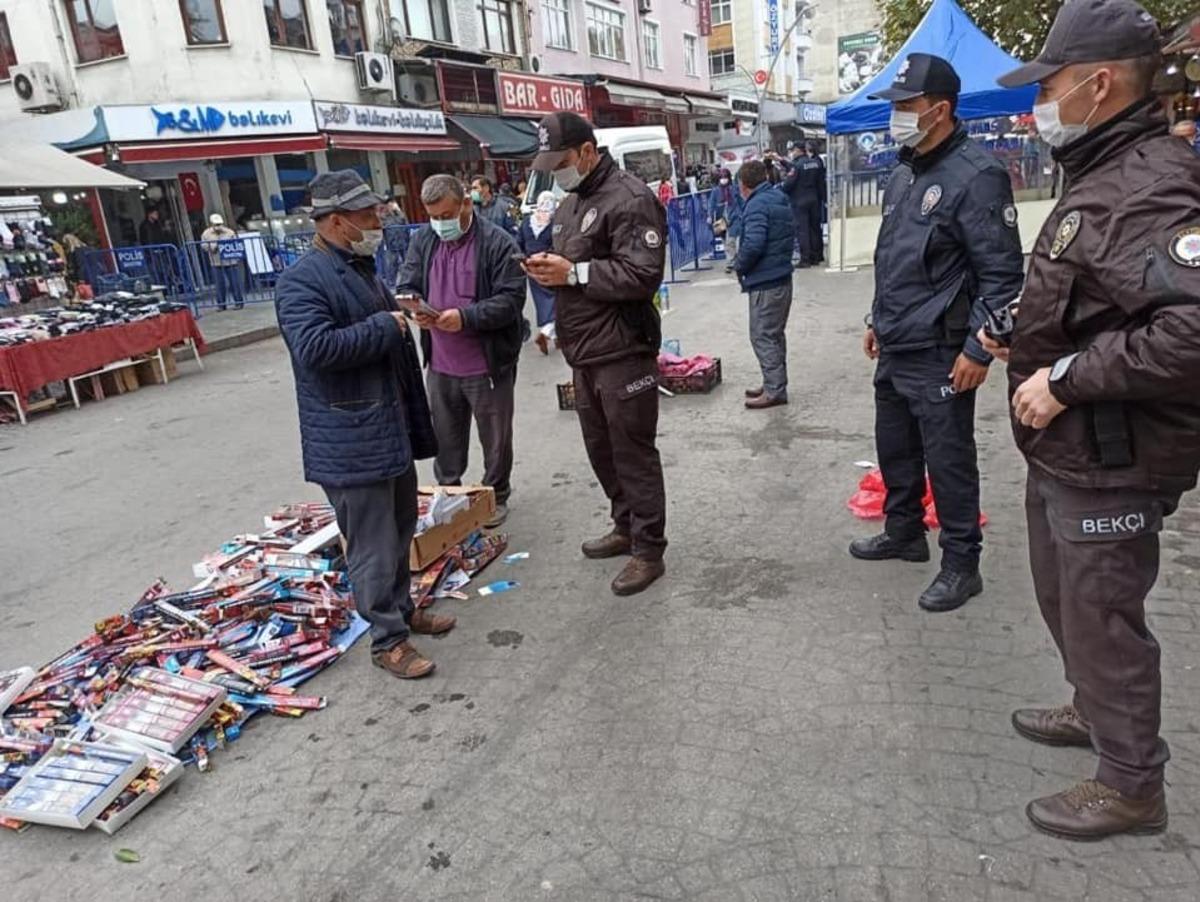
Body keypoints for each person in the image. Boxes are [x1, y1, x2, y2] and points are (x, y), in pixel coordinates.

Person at [981, 0, 1200, 841]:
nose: (1040, 104)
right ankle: (1093, 707)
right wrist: (1027, 334)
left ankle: (1132, 783)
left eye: (1051, 85)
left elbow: (1188, 328)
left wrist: (1067, 379)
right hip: (1068, 451)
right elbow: (1102, 294)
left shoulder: (1151, 181)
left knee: (1103, 612)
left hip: (1110, 451)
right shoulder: (1105, 172)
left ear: (1098, 83)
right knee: (1066, 599)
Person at [851, 53, 1024, 613]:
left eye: (905, 106)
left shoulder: (977, 176)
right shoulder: (903, 172)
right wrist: (877, 317)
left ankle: (961, 563)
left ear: (940, 110)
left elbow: (1002, 276)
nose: (895, 116)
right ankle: (904, 534)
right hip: (897, 342)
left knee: (948, 460)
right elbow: (892, 258)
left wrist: (980, 347)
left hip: (943, 351)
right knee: (895, 448)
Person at [275, 170, 453, 681]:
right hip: (351, 440)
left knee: (398, 531)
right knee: (373, 546)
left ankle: (402, 610)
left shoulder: (357, 267)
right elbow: (315, 349)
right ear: (336, 221)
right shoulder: (302, 280)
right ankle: (387, 641)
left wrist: (397, 313)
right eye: (367, 214)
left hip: (383, 430)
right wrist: (385, 325)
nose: (378, 220)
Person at [525, 112, 668, 597]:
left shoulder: (629, 198)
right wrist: (549, 275)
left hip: (623, 350)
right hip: (584, 352)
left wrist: (575, 274)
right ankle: (624, 524)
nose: (556, 171)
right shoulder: (571, 203)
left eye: (561, 161)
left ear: (587, 151)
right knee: (601, 450)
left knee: (633, 453)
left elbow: (642, 274)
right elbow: (568, 267)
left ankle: (649, 549)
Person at [397, 175, 525, 528]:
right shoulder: (424, 240)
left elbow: (511, 300)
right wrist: (413, 308)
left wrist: (466, 318)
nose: (441, 223)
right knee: (446, 436)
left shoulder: (498, 243)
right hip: (441, 363)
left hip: (487, 364)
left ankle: (497, 493)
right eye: (433, 216)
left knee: (495, 436)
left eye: (447, 214)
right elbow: (406, 281)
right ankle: (449, 493)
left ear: (467, 204)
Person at [733, 161, 795, 410]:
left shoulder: (757, 204)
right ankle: (775, 382)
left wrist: (739, 264)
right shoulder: (778, 197)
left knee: (763, 335)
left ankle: (774, 390)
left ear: (744, 185)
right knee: (774, 335)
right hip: (780, 277)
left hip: (766, 282)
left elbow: (754, 244)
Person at [519, 190, 559, 354]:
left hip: (531, 266)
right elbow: (558, 244)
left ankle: (556, 337)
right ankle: (546, 332)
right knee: (556, 299)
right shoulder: (554, 221)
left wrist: (524, 259)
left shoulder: (528, 221)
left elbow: (518, 242)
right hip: (549, 264)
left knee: (542, 301)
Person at [777, 144, 825, 267]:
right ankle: (817, 256)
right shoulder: (816, 163)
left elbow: (788, 185)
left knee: (803, 231)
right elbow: (821, 183)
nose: (791, 153)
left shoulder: (797, 166)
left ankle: (805, 259)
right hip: (814, 199)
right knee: (815, 228)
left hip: (800, 201)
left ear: (798, 151)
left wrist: (782, 187)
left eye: (792, 150)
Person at [200, 213, 245, 311]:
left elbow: (236, 244)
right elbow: (203, 246)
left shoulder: (229, 232)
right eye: (216, 225)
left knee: (234, 282)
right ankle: (221, 305)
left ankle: (239, 302)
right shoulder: (206, 234)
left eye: (219, 224)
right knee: (219, 284)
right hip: (216, 262)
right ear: (211, 224)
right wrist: (212, 246)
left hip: (230, 261)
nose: (218, 227)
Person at [707, 168, 744, 274]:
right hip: (721, 220)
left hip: (734, 218)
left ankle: (731, 263)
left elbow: (741, 202)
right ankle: (733, 260)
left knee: (731, 241)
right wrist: (709, 215)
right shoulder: (715, 191)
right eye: (721, 178)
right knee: (726, 242)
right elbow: (711, 204)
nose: (723, 180)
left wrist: (744, 212)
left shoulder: (734, 189)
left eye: (725, 178)